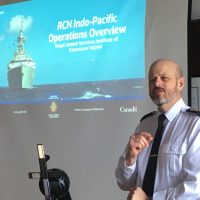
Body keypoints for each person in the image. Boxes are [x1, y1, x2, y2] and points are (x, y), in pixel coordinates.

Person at [115, 59, 200, 199]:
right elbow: (124, 183)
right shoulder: (144, 124)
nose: (157, 83)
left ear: (180, 83)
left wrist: (151, 198)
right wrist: (130, 159)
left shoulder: (195, 125)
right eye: (152, 79)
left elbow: (196, 187)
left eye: (164, 78)